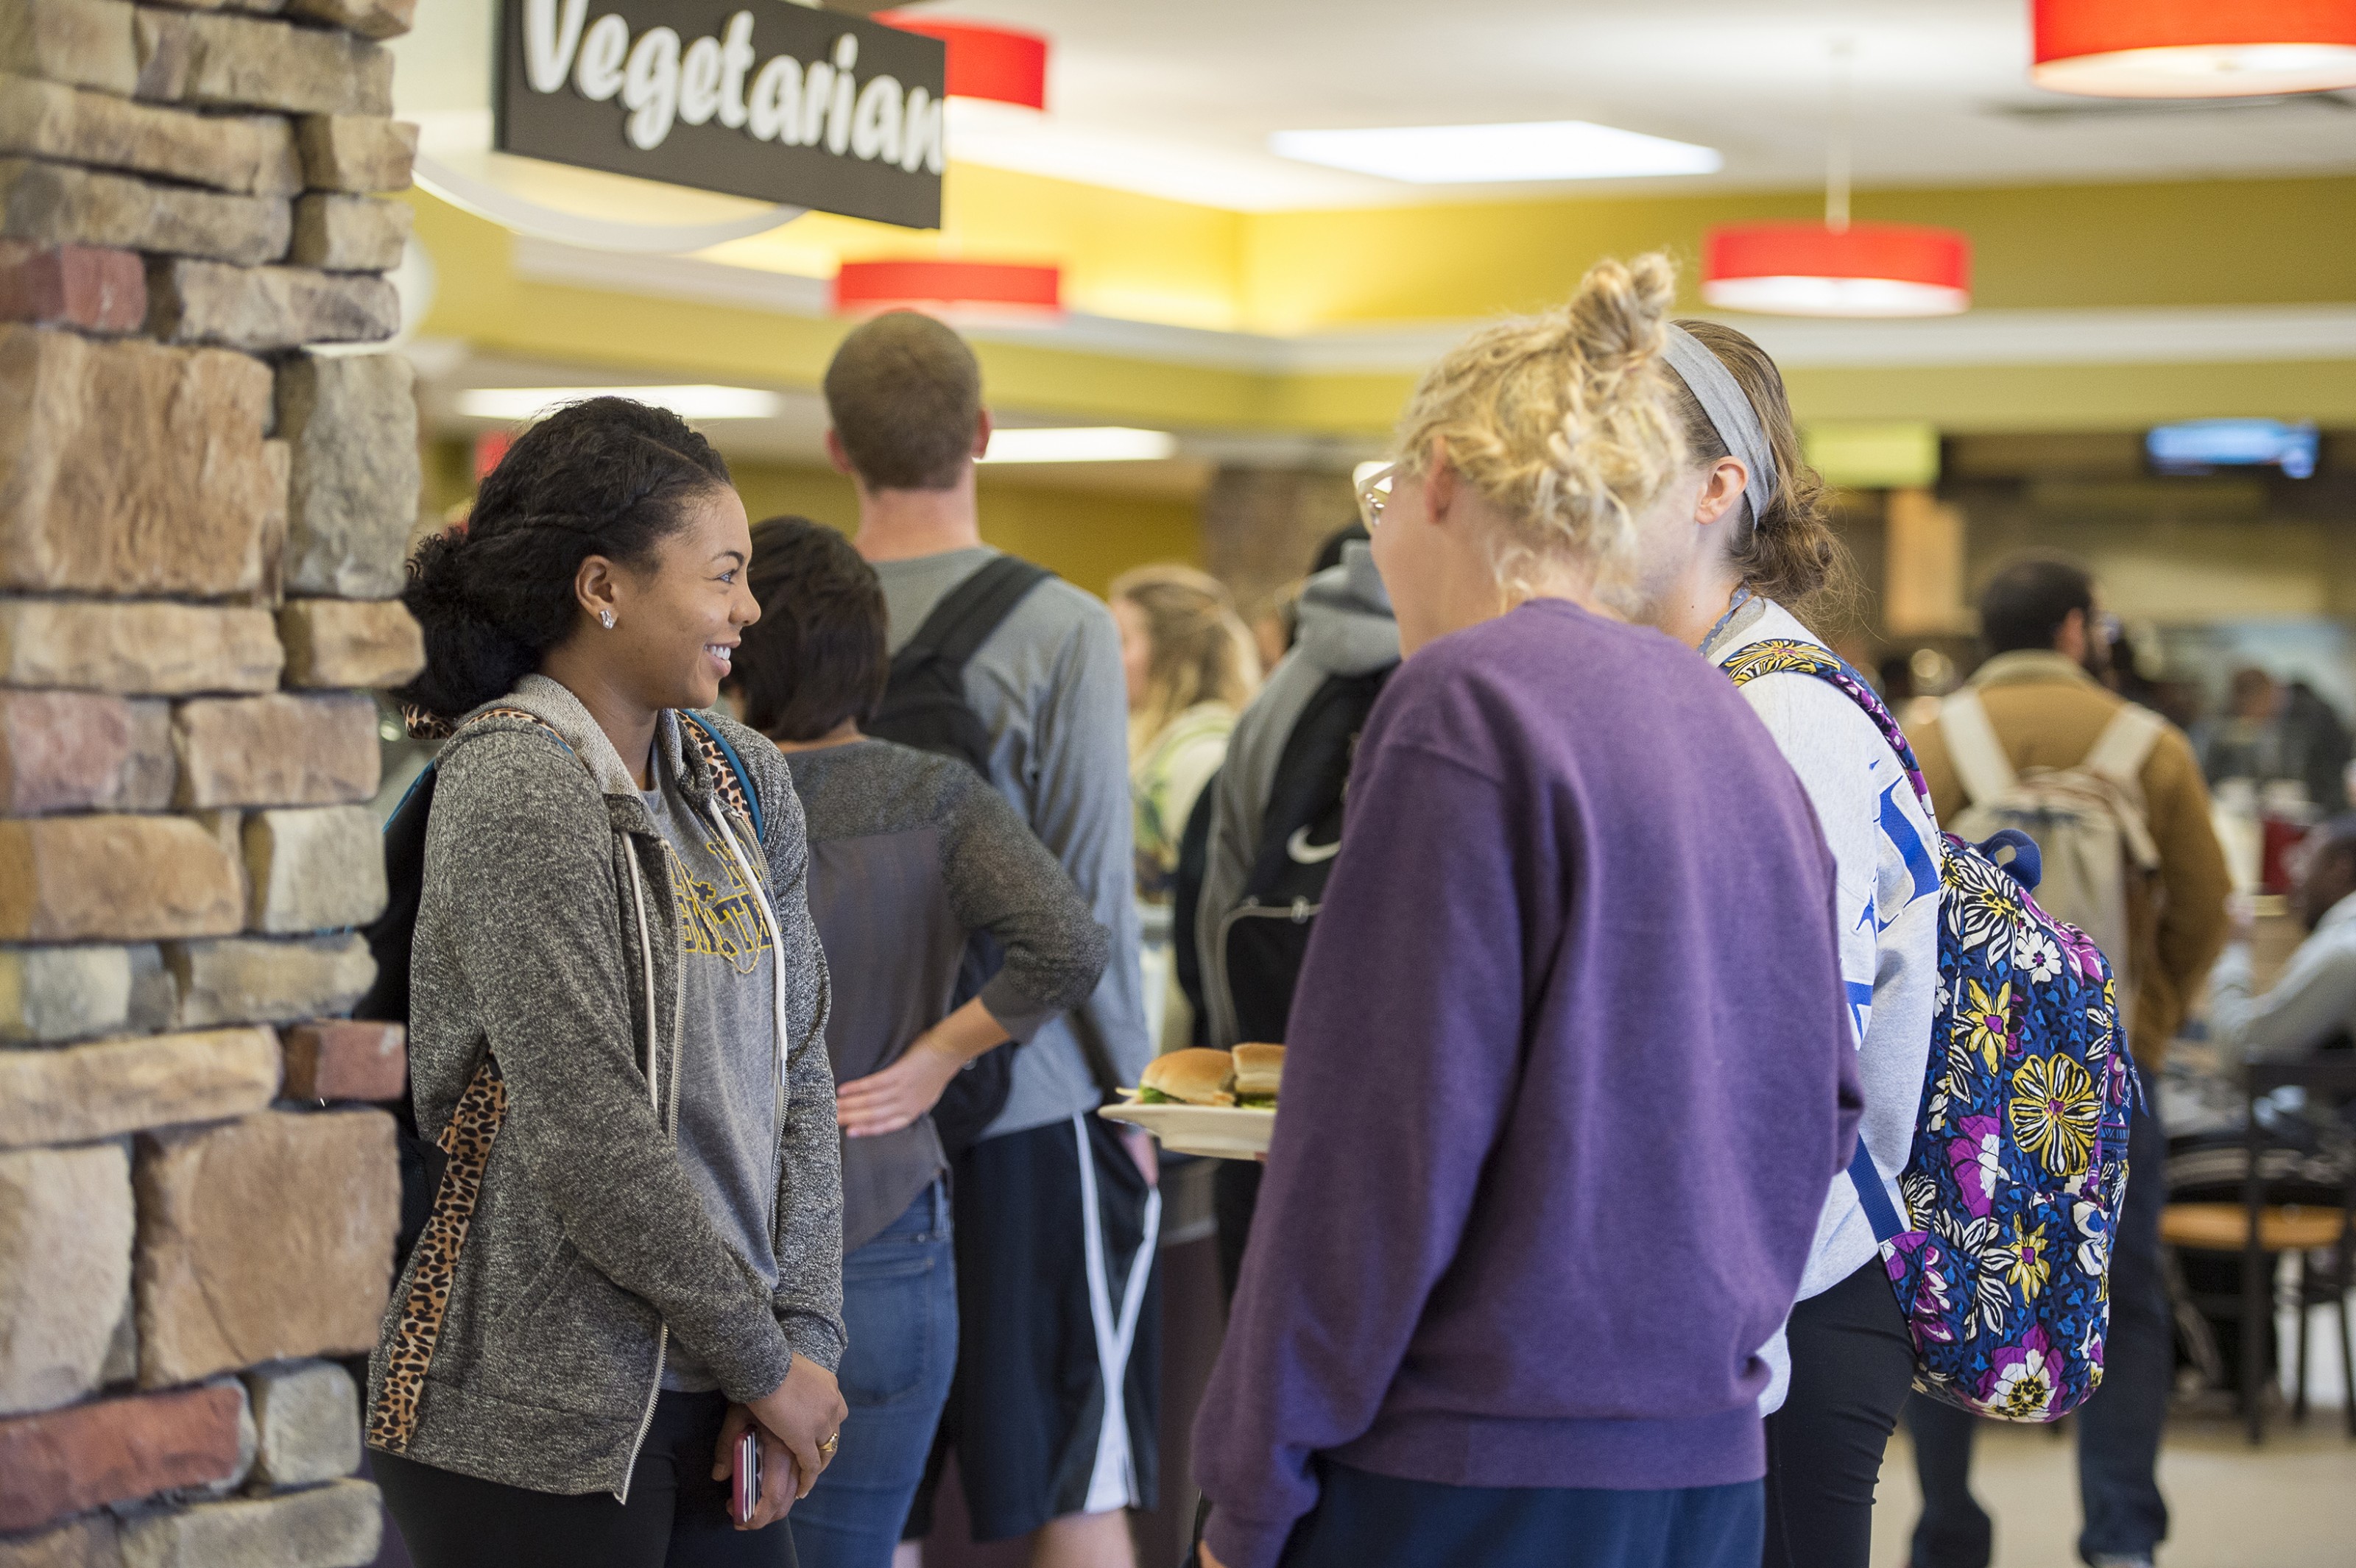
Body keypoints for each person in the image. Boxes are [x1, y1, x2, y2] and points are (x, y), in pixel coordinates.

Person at [1191, 254, 1863, 1568]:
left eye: (1381, 499)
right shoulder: (1731, 717)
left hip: (1470, 1470)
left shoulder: (1465, 706)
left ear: (1441, 478)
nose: (1378, 540)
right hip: (1702, 1463)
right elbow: (1821, 1107)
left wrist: (1249, 1484)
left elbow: (1377, 1151)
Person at [366, 398, 849, 1567]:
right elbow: (590, 1131)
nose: (750, 608)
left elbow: (801, 1067)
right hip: (534, 1419)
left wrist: (806, 1340)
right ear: (603, 587)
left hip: (730, 1386)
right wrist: (767, 1362)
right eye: (724, 573)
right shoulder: (515, 784)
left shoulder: (741, 779)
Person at [820, 311, 1160, 1566]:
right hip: (1027, 1104)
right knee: (1074, 1474)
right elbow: (1087, 896)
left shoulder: (785, 616)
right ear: (981, 434)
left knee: (865, 1484)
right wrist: (1128, 1102)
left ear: (835, 445)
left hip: (844, 1115)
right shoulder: (1063, 626)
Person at [724, 517, 1112, 1568]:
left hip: (722, 1243)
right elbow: (1070, 944)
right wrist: (940, 1053)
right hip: (889, 1224)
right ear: (873, 651)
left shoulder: (700, 790)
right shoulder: (936, 792)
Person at [1621, 319, 1942, 1568]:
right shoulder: (1678, 682)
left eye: (1617, 453)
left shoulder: (1784, 718)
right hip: (1723, 1299)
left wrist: (1718, 1343)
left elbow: (1793, 1078)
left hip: (1791, 1303)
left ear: (1718, 489)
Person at [1901, 554, 2232, 1568]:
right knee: (2126, 1301)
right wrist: (2149, 1026)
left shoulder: (1926, 739)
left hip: (1959, 1086)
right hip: (2109, 1074)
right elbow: (2207, 905)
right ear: (2081, 630)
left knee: (1944, 1287)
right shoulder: (2153, 748)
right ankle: (2119, 1533)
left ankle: (1951, 1526)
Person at [1193, 529, 1401, 1299]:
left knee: (1262, 1359)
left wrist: (1236, 1063)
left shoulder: (1279, 695)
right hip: (1397, 1120)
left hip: (1264, 1095)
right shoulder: (1469, 671)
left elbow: (1222, 893)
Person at [1109, 563, 1259, 908]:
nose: (1107, 658)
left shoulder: (1201, 755)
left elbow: (1208, 897)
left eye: (1121, 641)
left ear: (1172, 652)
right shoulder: (1157, 744)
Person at [2207, 813, 2356, 1060]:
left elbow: (2242, 1050)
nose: (2293, 873)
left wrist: (2235, 949)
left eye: (2305, 858)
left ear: (2340, 869)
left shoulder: (2344, 951)